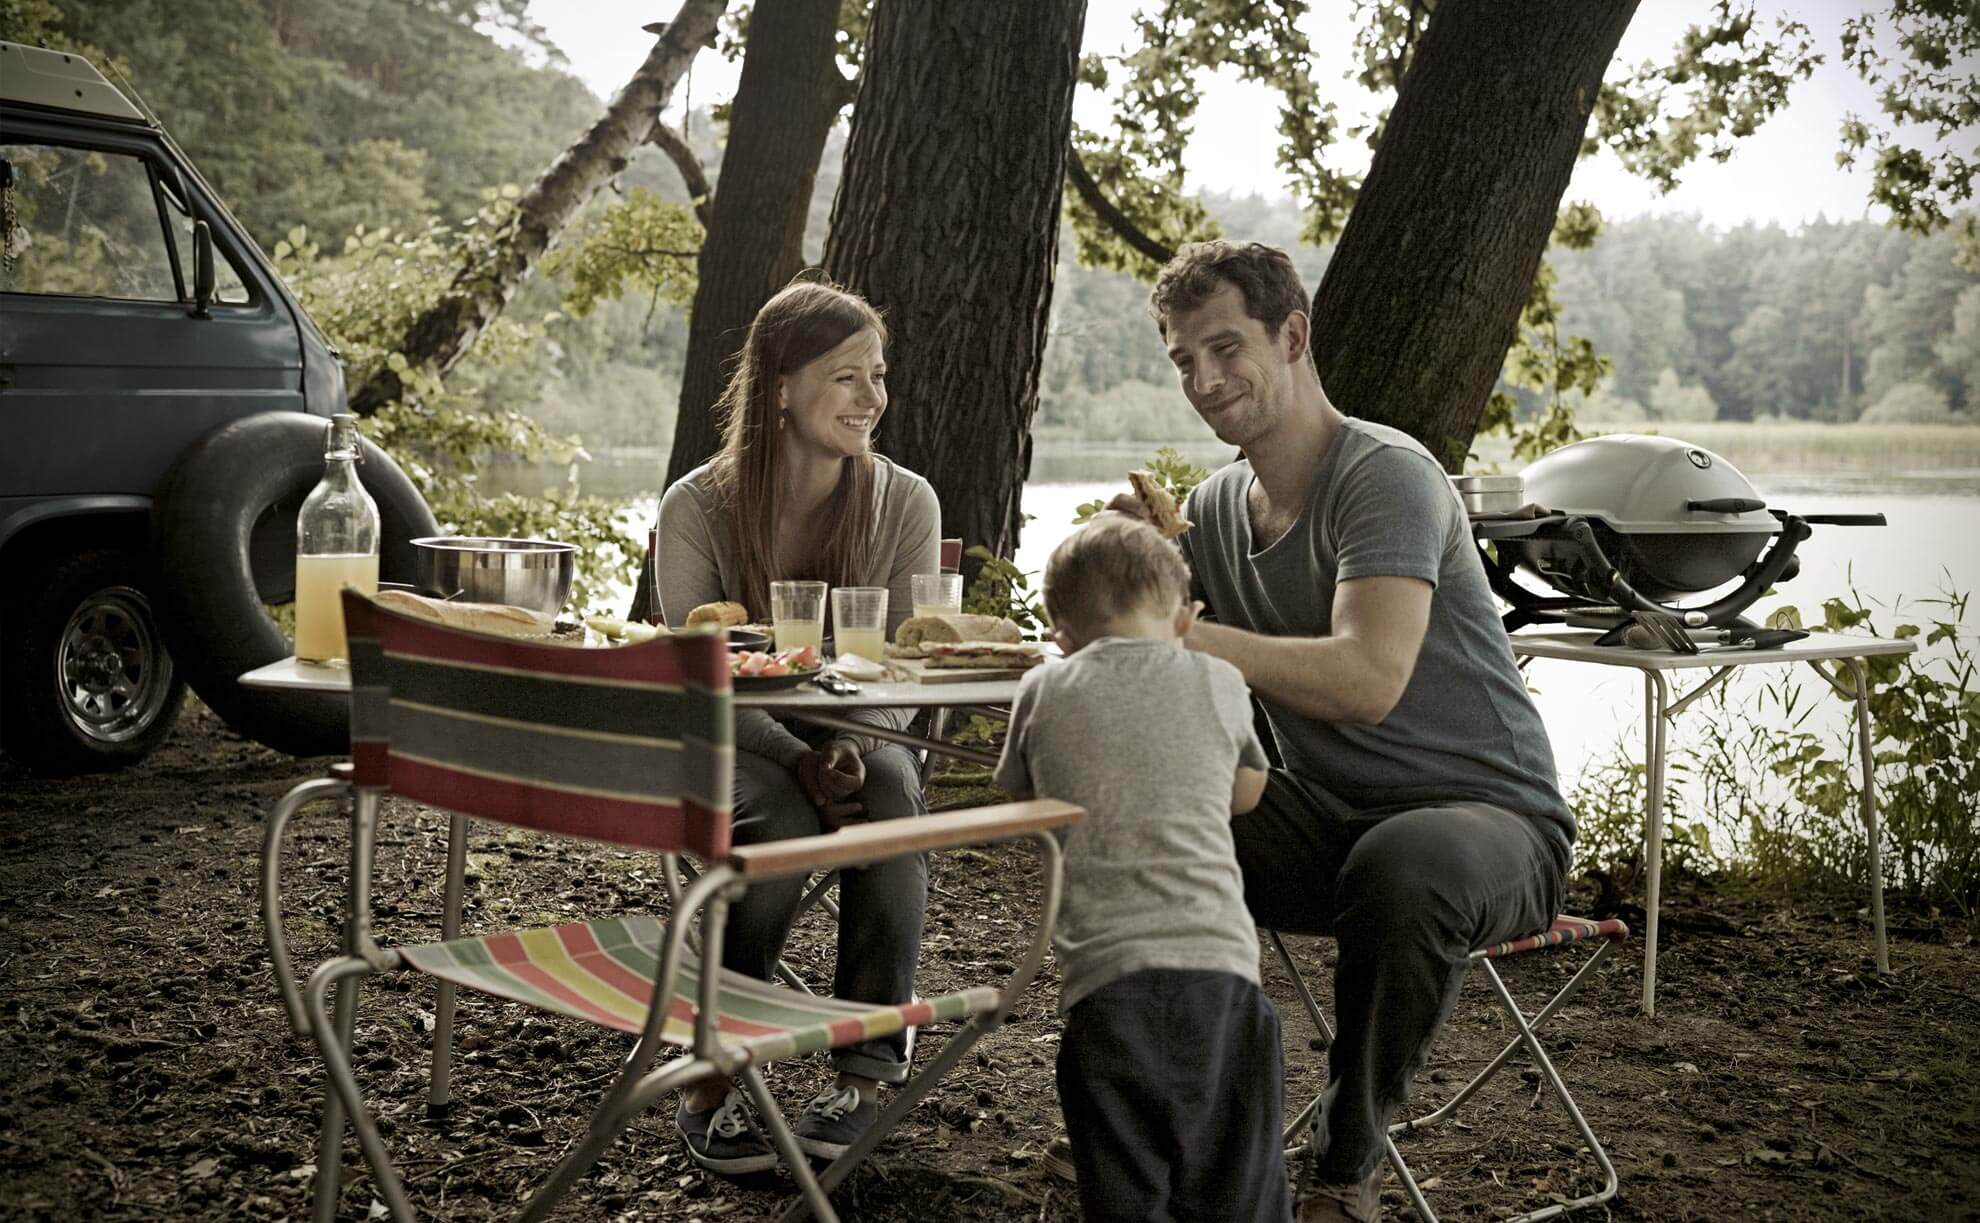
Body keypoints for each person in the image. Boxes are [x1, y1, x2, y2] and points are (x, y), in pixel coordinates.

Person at [1117, 241, 1575, 1222]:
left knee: (1406, 860)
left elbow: (1367, 677)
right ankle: (1182, 1123)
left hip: (1486, 826)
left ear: (1292, 334)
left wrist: (1188, 637)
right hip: (1328, 820)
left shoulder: (1387, 475)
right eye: (1183, 360)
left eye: (1226, 347)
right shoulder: (1205, 513)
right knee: (1145, 815)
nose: (1204, 380)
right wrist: (1131, 577)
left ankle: (1342, 1167)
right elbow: (1173, 663)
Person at [655, 280, 941, 1170]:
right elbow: (697, 676)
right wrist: (795, 754)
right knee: (777, 809)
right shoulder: (696, 506)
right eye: (847, 378)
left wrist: (857, 743)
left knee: (894, 786)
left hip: (858, 731)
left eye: (879, 376)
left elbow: (899, 671)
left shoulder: (905, 503)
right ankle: (714, 1065)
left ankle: (863, 1072)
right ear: (780, 386)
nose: (873, 399)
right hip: (734, 739)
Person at [994, 514, 1289, 1223]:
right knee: (1239, 1183)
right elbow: (1246, 791)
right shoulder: (1220, 679)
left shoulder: (1043, 688)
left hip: (1106, 986)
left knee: (1123, 1187)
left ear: (1059, 631)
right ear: (1186, 618)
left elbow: (1023, 800)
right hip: (1221, 977)